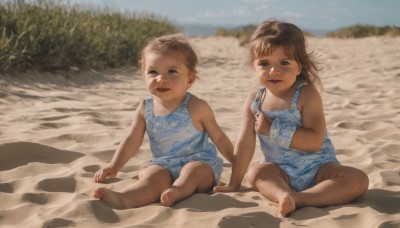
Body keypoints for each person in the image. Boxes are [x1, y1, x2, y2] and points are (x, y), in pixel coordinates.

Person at [213, 20, 369, 217]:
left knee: (358, 179)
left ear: (298, 67)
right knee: (257, 173)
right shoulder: (255, 100)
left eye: (284, 63)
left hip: (319, 168)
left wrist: (272, 129)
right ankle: (283, 195)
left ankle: (301, 198)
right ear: (254, 66)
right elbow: (245, 144)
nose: (274, 70)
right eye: (264, 63)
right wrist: (234, 182)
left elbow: (314, 142)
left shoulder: (306, 95)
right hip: (280, 172)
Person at [93, 33, 234, 209]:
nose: (161, 78)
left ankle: (177, 191)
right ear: (144, 76)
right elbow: (132, 140)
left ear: (189, 79)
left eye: (172, 71)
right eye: (153, 72)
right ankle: (125, 198)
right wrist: (114, 165)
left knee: (192, 172)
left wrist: (236, 162)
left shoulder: (197, 106)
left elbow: (219, 137)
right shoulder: (145, 108)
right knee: (152, 177)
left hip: (200, 163)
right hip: (164, 163)